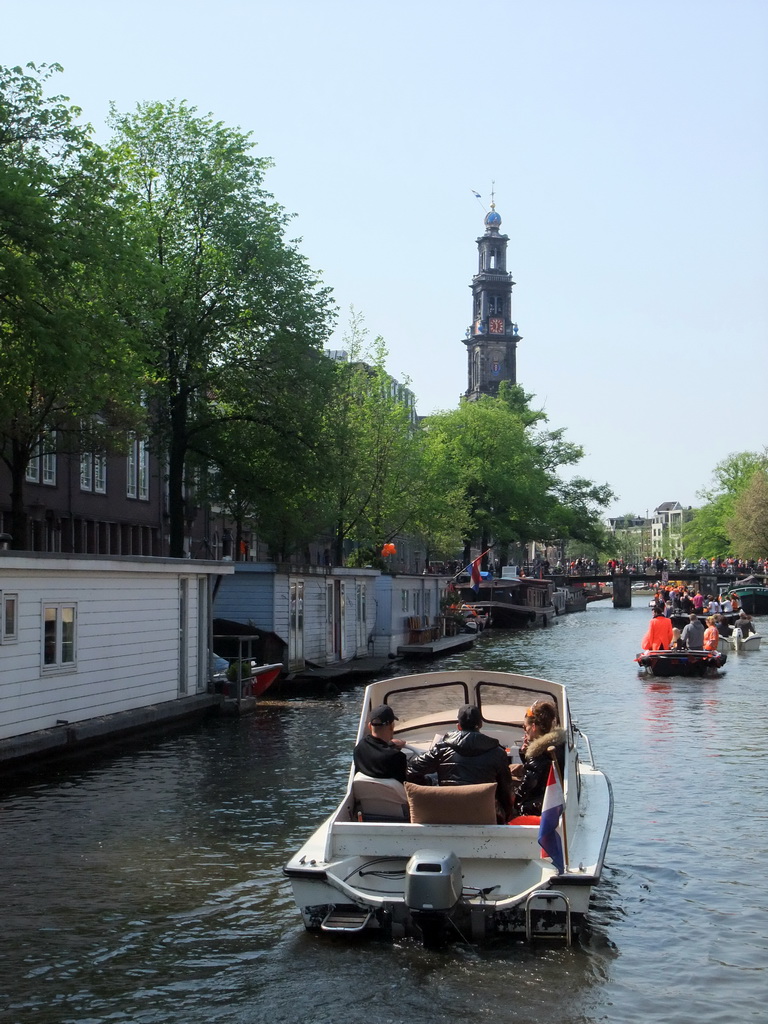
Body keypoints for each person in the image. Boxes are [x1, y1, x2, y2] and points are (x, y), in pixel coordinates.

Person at [406, 704, 514, 822]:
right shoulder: (497, 753)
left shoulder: (442, 749)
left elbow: (411, 771)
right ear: (481, 724)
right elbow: (506, 791)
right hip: (483, 817)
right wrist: (507, 816)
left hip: (447, 814)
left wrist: (431, 784)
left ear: (459, 726)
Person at [510, 701, 566, 818]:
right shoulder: (556, 746)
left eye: (525, 727)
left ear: (534, 727)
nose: (525, 731)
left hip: (534, 810)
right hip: (547, 802)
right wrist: (526, 755)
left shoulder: (539, 757)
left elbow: (525, 792)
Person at [353, 704, 407, 783]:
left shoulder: (359, 748)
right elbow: (407, 786)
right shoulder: (397, 757)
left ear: (370, 726)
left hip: (366, 794)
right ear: (392, 726)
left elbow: (376, 750)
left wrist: (390, 744)